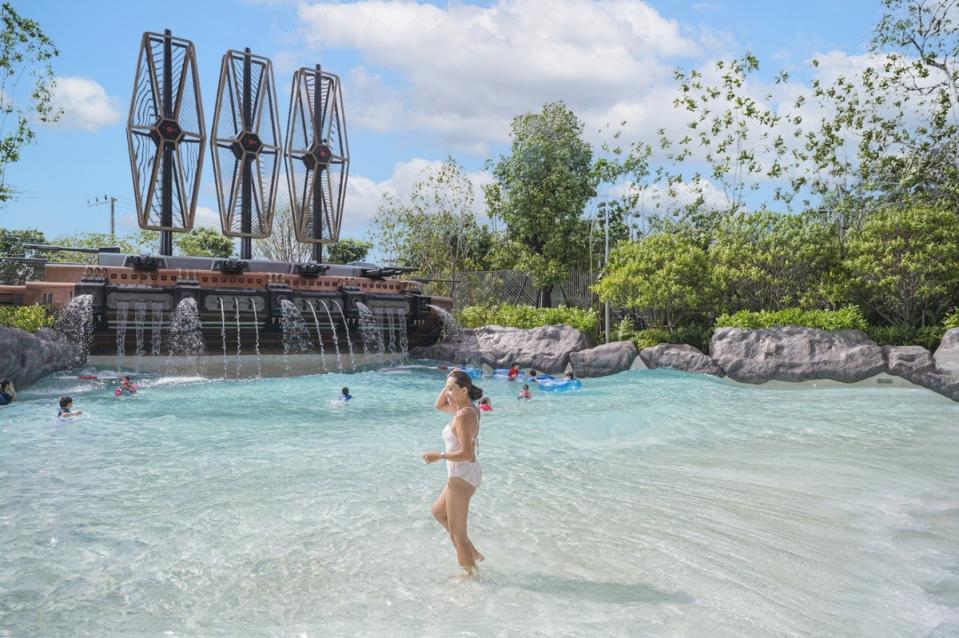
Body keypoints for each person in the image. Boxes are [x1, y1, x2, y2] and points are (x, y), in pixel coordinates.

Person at [422, 369, 484, 576]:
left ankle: (469, 575)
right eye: (446, 389)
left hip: (462, 475)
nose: (447, 393)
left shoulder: (464, 415)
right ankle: (471, 550)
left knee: (457, 536)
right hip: (464, 473)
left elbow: (466, 453)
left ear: (464, 390)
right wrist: (450, 380)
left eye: (451, 389)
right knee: (438, 512)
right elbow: (438, 405)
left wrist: (439, 456)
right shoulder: (464, 408)